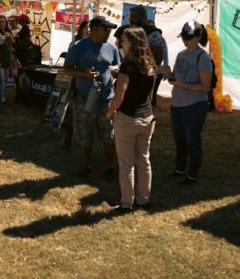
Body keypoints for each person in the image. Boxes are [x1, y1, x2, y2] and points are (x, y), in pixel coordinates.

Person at [106, 28, 157, 214]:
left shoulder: (128, 67)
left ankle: (127, 204)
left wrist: (110, 112)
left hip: (128, 120)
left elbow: (118, 98)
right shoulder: (150, 64)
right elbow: (148, 94)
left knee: (126, 165)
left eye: (124, 40)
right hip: (146, 119)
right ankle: (143, 200)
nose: (121, 43)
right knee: (144, 162)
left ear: (133, 42)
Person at [63, 16, 120, 181]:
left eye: (110, 29)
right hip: (84, 99)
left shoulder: (112, 47)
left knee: (109, 135)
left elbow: (116, 65)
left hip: (106, 100)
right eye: (106, 29)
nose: (109, 32)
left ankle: (109, 168)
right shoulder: (78, 46)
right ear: (94, 29)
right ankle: (86, 166)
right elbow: (67, 69)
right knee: (85, 134)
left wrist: (116, 71)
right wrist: (83, 74)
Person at [161, 21, 212, 185]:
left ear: (198, 37)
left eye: (188, 37)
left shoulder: (203, 57)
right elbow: (176, 78)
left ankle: (192, 175)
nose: (185, 40)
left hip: (195, 105)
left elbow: (205, 87)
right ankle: (180, 169)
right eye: (183, 36)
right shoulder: (181, 54)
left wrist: (181, 84)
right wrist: (169, 74)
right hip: (177, 104)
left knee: (192, 140)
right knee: (179, 139)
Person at [64, 19, 91, 150]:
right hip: (76, 82)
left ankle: (85, 139)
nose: (89, 29)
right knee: (73, 112)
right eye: (86, 27)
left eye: (91, 27)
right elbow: (69, 67)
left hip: (92, 83)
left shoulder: (96, 44)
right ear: (81, 30)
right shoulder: (74, 44)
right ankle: (68, 138)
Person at [148, 19, 169, 107]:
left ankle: (151, 115)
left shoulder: (161, 39)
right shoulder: (147, 37)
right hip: (148, 70)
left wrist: (164, 71)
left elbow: (165, 55)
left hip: (157, 71)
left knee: (153, 93)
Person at [0, 15, 14, 104]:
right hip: (0, 58)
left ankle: (3, 95)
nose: (2, 23)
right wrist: (5, 36)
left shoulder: (8, 31)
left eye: (3, 21)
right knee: (1, 80)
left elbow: (13, 42)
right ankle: (2, 98)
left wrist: (9, 36)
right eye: (0, 21)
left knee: (6, 79)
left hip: (8, 58)